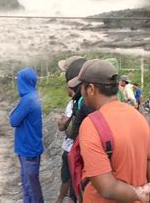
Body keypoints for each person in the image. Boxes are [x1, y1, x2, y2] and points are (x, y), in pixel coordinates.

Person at [71, 59, 150, 202]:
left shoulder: (91, 125)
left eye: (82, 87)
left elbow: (107, 188)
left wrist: (139, 193)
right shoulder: (137, 116)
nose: (81, 91)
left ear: (90, 89)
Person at [9, 68, 44, 203]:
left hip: (28, 148)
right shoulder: (33, 96)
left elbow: (13, 120)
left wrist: (12, 112)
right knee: (28, 182)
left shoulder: (27, 100)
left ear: (23, 82)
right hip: (30, 147)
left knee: (30, 185)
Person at [56, 56, 88, 203]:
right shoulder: (85, 99)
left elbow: (66, 128)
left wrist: (64, 121)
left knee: (74, 182)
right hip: (84, 150)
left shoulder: (79, 101)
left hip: (76, 150)